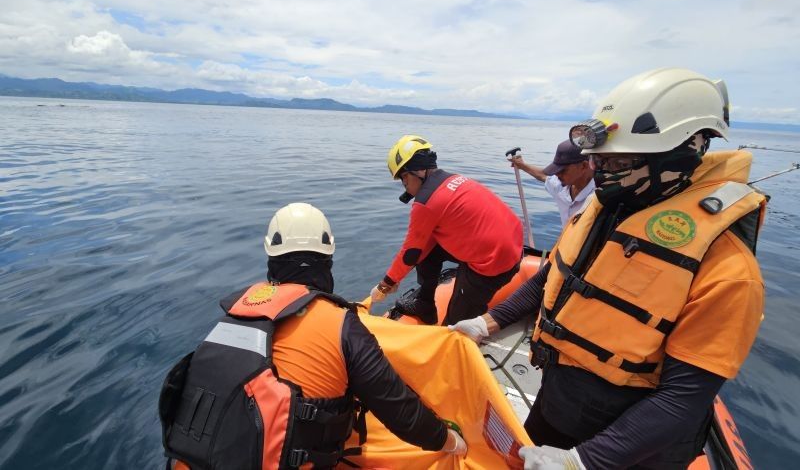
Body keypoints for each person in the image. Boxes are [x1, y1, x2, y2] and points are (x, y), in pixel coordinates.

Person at [450, 68, 766, 469]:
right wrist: (487, 322)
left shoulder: (730, 271)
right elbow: (553, 277)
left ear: (682, 152)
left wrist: (582, 462)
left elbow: (683, 399)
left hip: (631, 447)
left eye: (618, 159)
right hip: (558, 401)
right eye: (599, 159)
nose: (603, 170)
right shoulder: (601, 209)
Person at [160, 203, 466, 469]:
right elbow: (401, 412)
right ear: (327, 259)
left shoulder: (234, 315)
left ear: (271, 258)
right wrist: (449, 440)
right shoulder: (341, 324)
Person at [370, 135, 523, 325]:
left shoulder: (426, 202)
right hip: (512, 248)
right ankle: (425, 304)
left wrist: (386, 284)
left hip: (492, 263)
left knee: (455, 328)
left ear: (414, 172)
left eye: (403, 179)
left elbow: (410, 252)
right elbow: (422, 246)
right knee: (428, 251)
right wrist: (395, 278)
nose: (406, 187)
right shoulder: (454, 179)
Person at [508, 139, 595, 226]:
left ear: (584, 166)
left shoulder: (599, 197)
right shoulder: (561, 186)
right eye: (556, 170)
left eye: (563, 170)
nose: (557, 174)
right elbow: (543, 176)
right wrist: (522, 165)